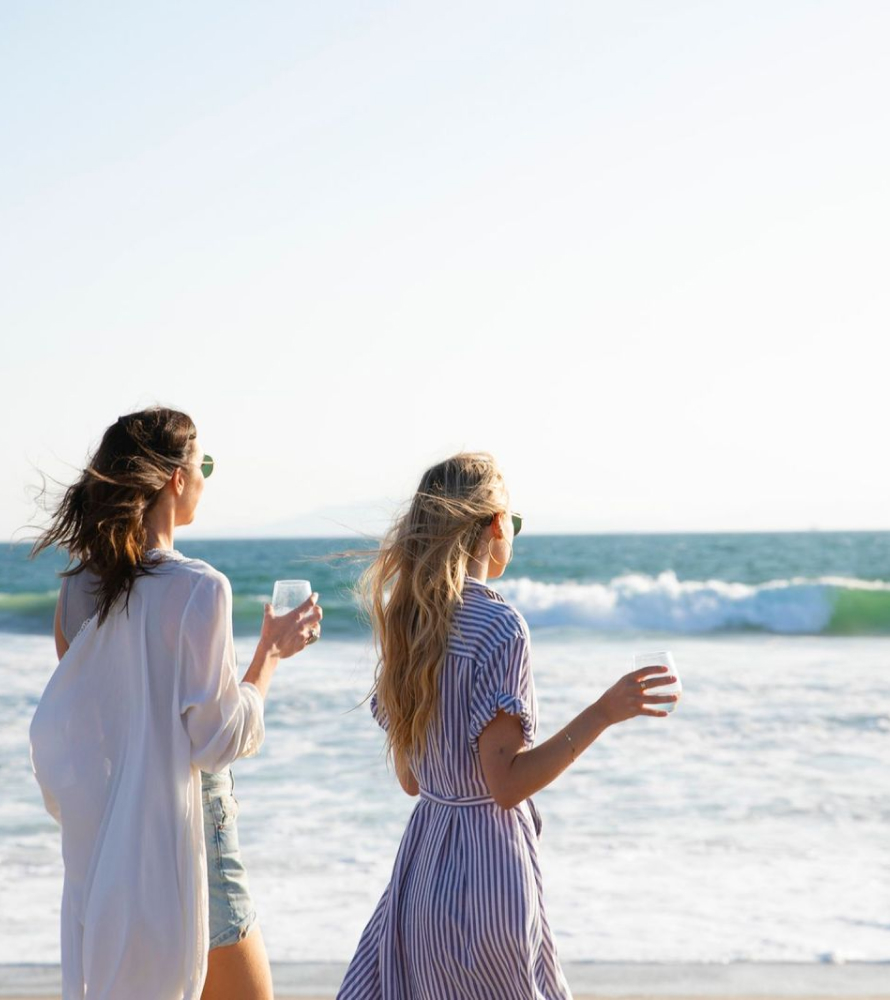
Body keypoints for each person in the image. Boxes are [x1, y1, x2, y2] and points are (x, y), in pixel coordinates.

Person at [338, 453, 679, 999]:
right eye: (512, 523)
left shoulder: (410, 619)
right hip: (487, 878)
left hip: (422, 873)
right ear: (495, 525)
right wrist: (604, 712)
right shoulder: (500, 624)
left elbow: (411, 781)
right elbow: (507, 786)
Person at [30, 407, 323, 1000]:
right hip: (187, 830)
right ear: (175, 479)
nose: (206, 478)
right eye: (203, 464)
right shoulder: (200, 587)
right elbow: (215, 743)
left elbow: (97, 723)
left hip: (108, 836)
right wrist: (269, 655)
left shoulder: (76, 588)